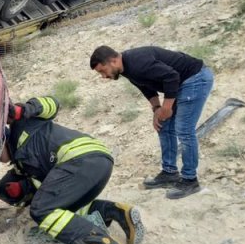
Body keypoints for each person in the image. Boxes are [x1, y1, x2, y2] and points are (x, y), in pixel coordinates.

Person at [0, 97, 142, 244]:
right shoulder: (21, 163)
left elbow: (52, 104)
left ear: (1, 140)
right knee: (62, 208)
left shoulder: (22, 124)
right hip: (98, 162)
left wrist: (22, 109)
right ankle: (116, 212)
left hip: (80, 158)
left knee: (42, 210)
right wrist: (22, 188)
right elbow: (49, 188)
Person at [89, 45, 214, 198]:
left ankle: (190, 180)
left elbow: (171, 77)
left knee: (184, 130)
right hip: (182, 83)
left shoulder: (137, 63)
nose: (103, 76)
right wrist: (156, 109)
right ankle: (170, 173)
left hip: (195, 79)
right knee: (164, 125)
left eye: (103, 71)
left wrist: (166, 108)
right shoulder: (126, 68)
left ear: (113, 61)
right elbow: (146, 87)